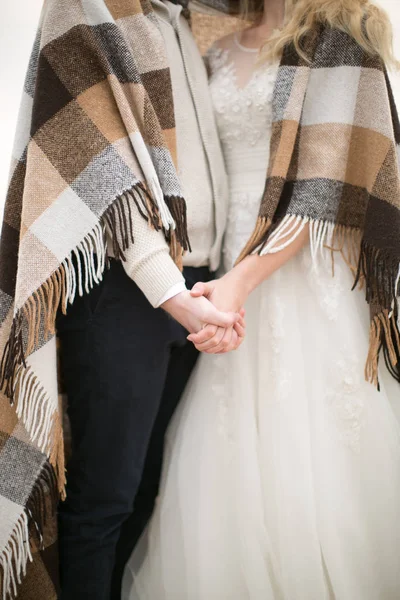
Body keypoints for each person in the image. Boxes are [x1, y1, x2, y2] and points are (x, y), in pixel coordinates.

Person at [124, 0, 400, 597]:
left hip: (302, 269)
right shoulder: (215, 45)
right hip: (223, 267)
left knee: (314, 447)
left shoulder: (342, 35)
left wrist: (240, 282)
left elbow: (327, 187)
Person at [0, 0, 244, 598]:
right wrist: (171, 294)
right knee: (102, 499)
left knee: (148, 491)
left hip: (199, 280)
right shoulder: (88, 8)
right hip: (127, 289)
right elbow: (103, 176)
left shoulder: (188, 18)